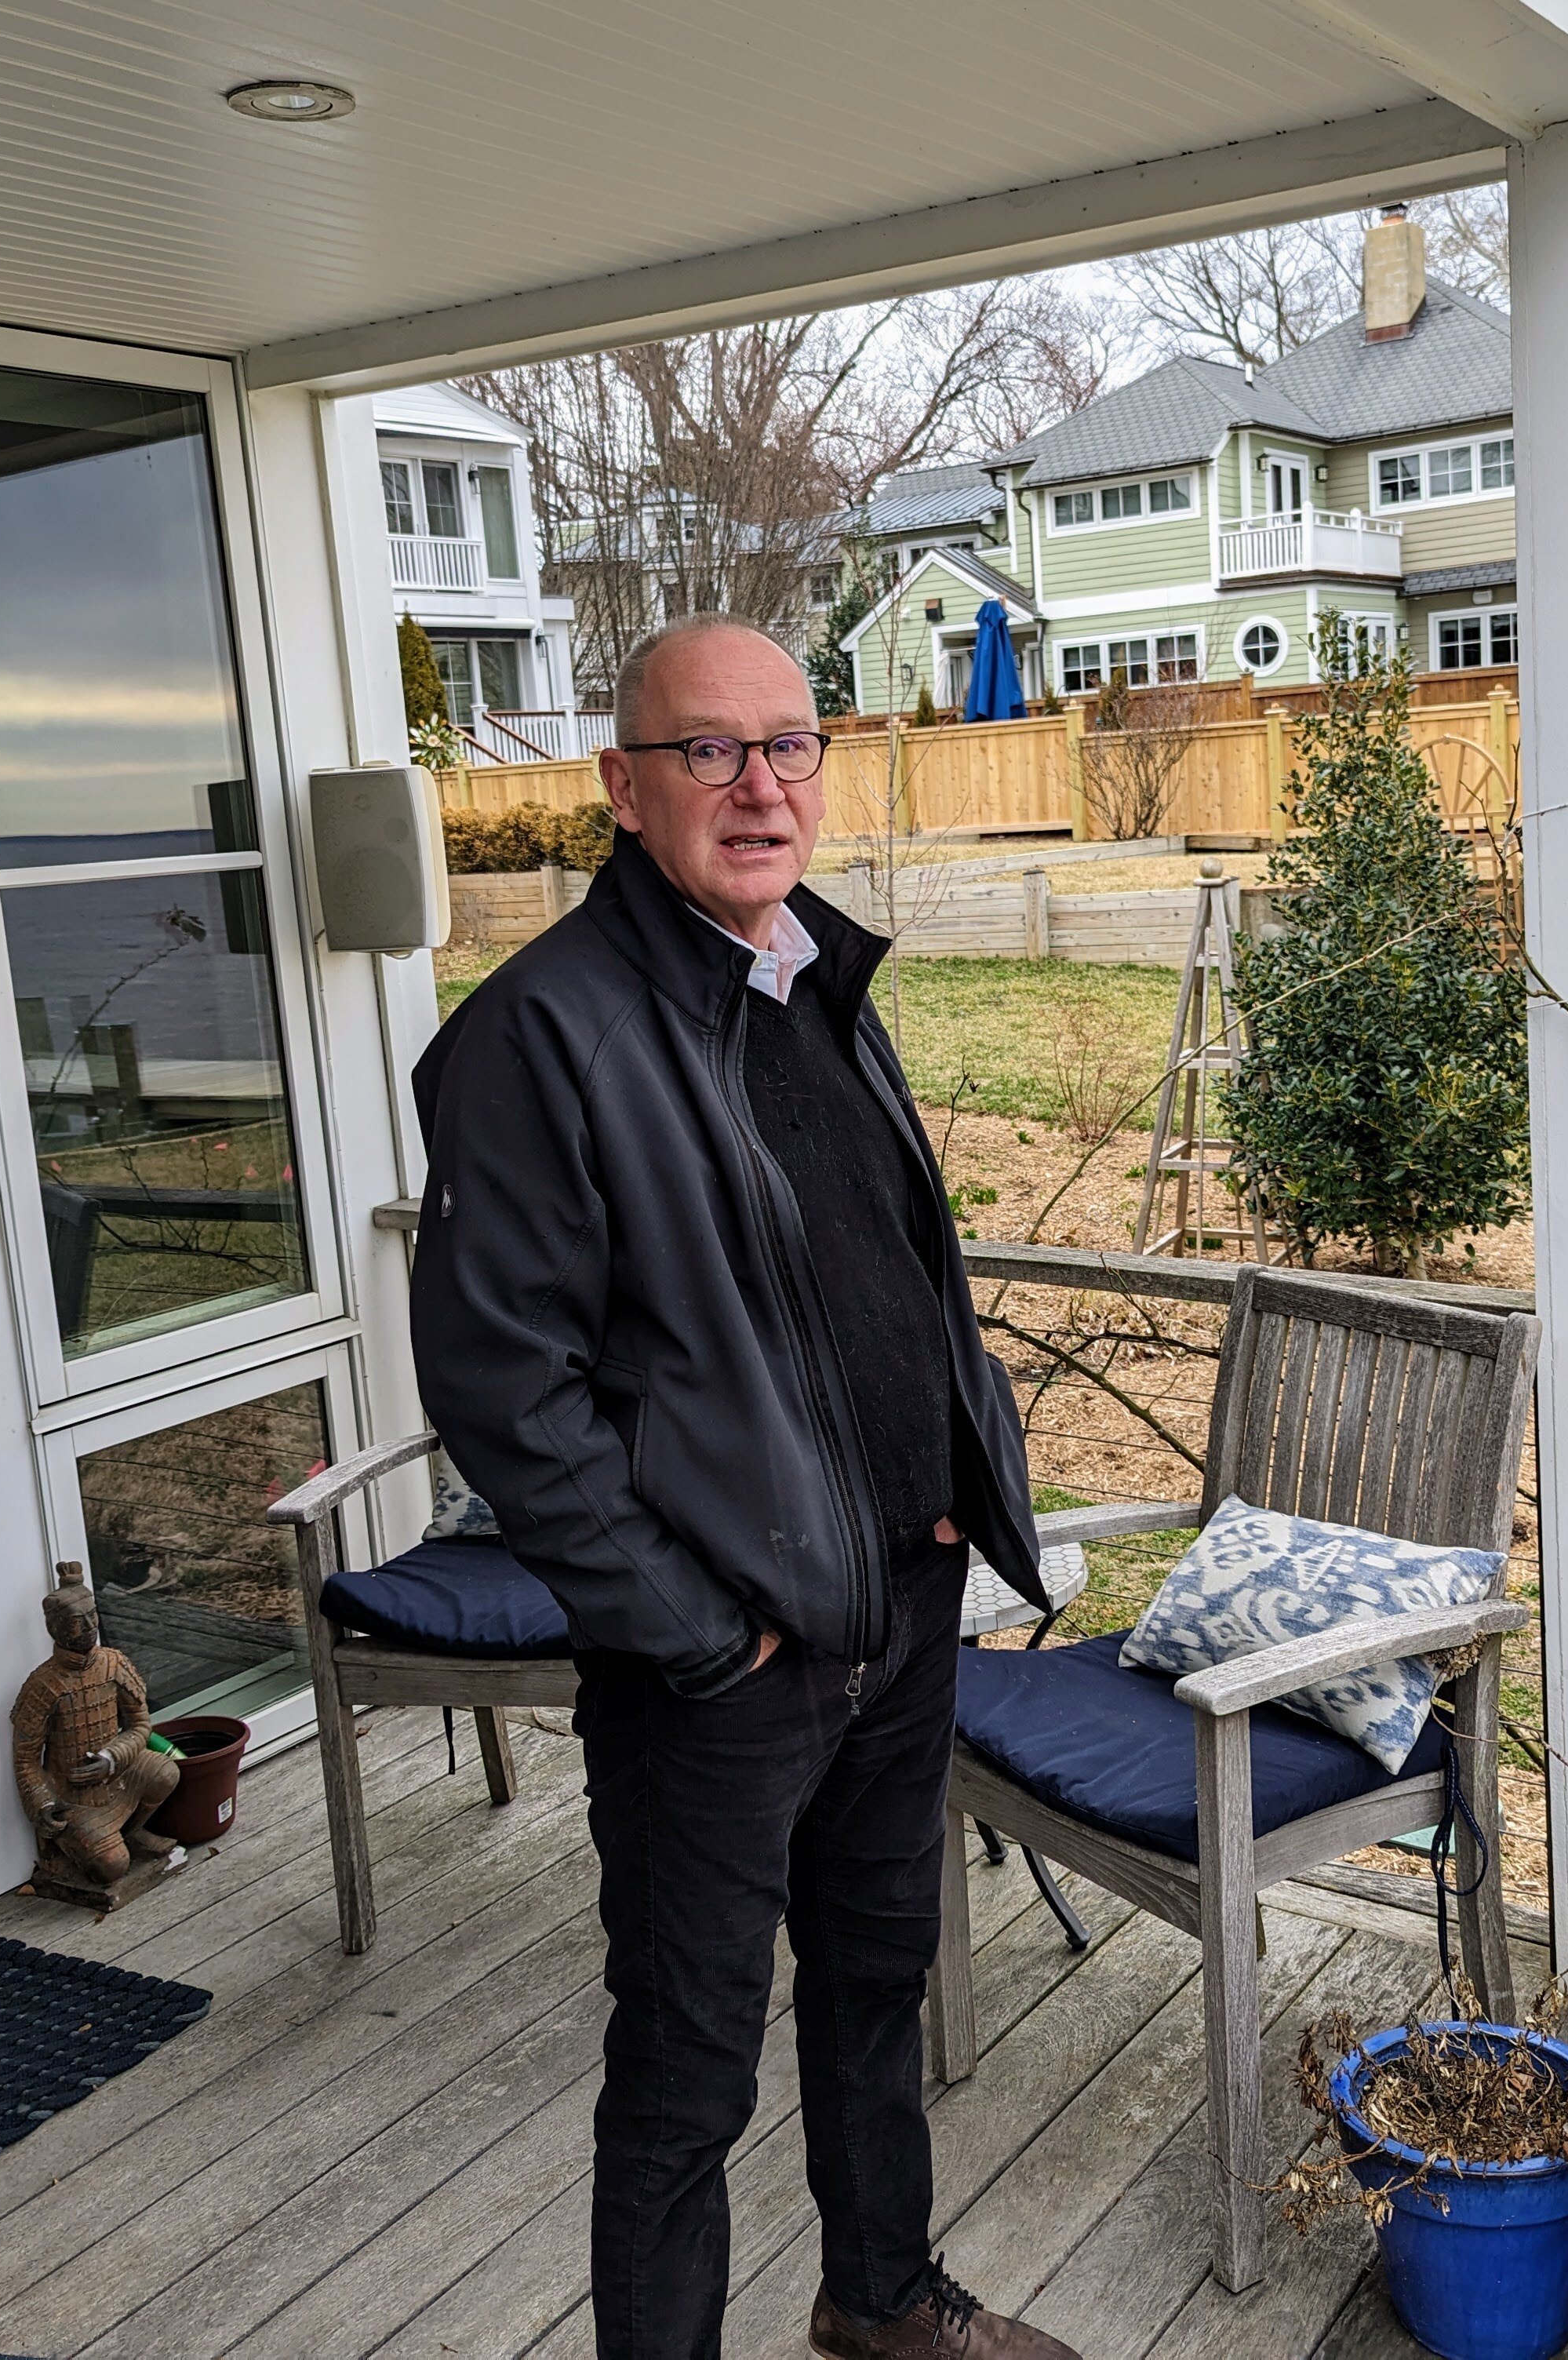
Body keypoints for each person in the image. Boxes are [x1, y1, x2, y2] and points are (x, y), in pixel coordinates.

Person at [409, 614, 1078, 2360]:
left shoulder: (811, 978)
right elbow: (502, 1387)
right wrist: (697, 1634)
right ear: (624, 789)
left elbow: (886, 1273)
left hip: (900, 1606)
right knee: (685, 2075)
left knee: (875, 1984)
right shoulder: (541, 1035)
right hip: (725, 1670)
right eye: (708, 750)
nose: (760, 786)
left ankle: (879, 2301)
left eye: (789, 746)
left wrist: (953, 1487)